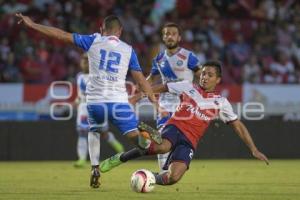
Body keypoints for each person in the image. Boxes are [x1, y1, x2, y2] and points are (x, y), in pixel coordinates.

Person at [16, 13, 160, 188]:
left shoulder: (93, 40)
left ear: (102, 29)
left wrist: (32, 24)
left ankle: (94, 168)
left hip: (95, 103)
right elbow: (140, 80)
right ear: (120, 31)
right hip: (119, 103)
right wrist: (154, 101)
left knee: (94, 131)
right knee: (142, 145)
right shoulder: (128, 49)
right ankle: (142, 133)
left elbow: (61, 35)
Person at [100, 61, 269, 186]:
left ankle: (147, 176)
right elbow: (162, 87)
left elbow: (237, 125)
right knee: (162, 147)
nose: (204, 77)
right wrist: (138, 97)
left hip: (190, 141)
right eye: (203, 73)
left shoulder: (221, 102)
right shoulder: (188, 86)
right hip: (175, 127)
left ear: (218, 80)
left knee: (173, 178)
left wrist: (253, 149)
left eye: (210, 75)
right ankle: (121, 157)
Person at [146, 22, 202, 172]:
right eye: (166, 34)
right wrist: (141, 86)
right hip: (164, 105)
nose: (169, 36)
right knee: (161, 141)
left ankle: (173, 169)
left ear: (179, 37)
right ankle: (164, 175)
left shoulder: (188, 56)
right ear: (163, 37)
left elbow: (201, 77)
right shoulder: (158, 59)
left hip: (184, 107)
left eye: (173, 34)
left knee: (177, 142)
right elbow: (150, 79)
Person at [74, 53, 124, 168]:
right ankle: (81, 159)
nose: (85, 63)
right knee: (82, 133)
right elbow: (79, 93)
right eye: (83, 61)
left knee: (102, 133)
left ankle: (117, 146)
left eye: (87, 61)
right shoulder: (79, 77)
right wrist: (77, 100)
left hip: (97, 106)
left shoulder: (99, 76)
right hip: (83, 108)